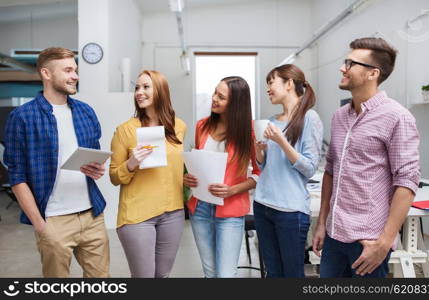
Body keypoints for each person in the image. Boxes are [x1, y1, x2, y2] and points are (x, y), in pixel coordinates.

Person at [312, 37, 420, 278]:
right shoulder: (339, 116)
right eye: (345, 62)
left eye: (351, 63)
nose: (343, 68)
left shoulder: (397, 117)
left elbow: (407, 182)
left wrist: (384, 243)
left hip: (367, 242)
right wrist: (322, 223)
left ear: (373, 73)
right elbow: (331, 170)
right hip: (334, 235)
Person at [4, 47, 109, 278]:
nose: (75, 76)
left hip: (92, 215)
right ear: (47, 74)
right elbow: (17, 176)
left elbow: (93, 157)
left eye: (76, 70)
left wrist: (96, 168)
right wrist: (41, 226)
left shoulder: (86, 112)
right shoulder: (22, 117)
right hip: (53, 219)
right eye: (68, 70)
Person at [109, 70, 186, 278]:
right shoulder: (124, 131)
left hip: (173, 213)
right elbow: (114, 177)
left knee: (162, 276)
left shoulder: (178, 126)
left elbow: (176, 167)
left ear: (160, 91)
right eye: (137, 88)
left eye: (145, 87)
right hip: (137, 216)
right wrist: (132, 163)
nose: (139, 93)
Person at [184, 76, 260, 278]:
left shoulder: (249, 131)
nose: (214, 98)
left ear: (235, 104)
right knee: (210, 274)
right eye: (214, 93)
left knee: (225, 275)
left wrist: (233, 189)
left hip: (230, 211)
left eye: (221, 96)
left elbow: (260, 173)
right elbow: (197, 162)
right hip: (199, 207)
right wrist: (188, 178)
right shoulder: (202, 126)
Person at [253, 64, 323, 278]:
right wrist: (259, 152)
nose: (268, 88)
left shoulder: (310, 118)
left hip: (290, 211)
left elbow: (309, 168)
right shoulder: (272, 121)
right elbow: (266, 167)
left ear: (289, 84)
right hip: (263, 204)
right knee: (273, 273)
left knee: (292, 274)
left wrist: (282, 142)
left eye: (271, 81)